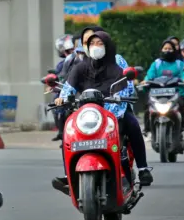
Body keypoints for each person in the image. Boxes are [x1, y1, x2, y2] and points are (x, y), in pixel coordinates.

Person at [52, 31, 153, 191]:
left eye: (99, 44)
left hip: (114, 112)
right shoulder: (80, 67)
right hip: (88, 114)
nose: (95, 47)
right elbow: (68, 88)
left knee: (132, 124)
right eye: (91, 44)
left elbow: (126, 87)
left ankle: (143, 169)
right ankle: (70, 176)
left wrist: (114, 103)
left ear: (107, 46)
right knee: (68, 132)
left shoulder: (117, 66)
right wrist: (62, 98)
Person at [141, 40, 184, 140]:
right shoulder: (156, 64)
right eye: (165, 48)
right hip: (157, 94)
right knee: (147, 106)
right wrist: (145, 81)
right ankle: (147, 129)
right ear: (161, 50)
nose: (167, 51)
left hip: (176, 93)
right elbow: (149, 75)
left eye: (170, 49)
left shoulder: (180, 64)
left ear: (174, 50)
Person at [51, 35, 75, 141]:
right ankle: (61, 131)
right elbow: (60, 77)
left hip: (81, 91)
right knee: (56, 102)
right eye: (69, 51)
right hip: (66, 89)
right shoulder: (62, 63)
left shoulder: (82, 59)